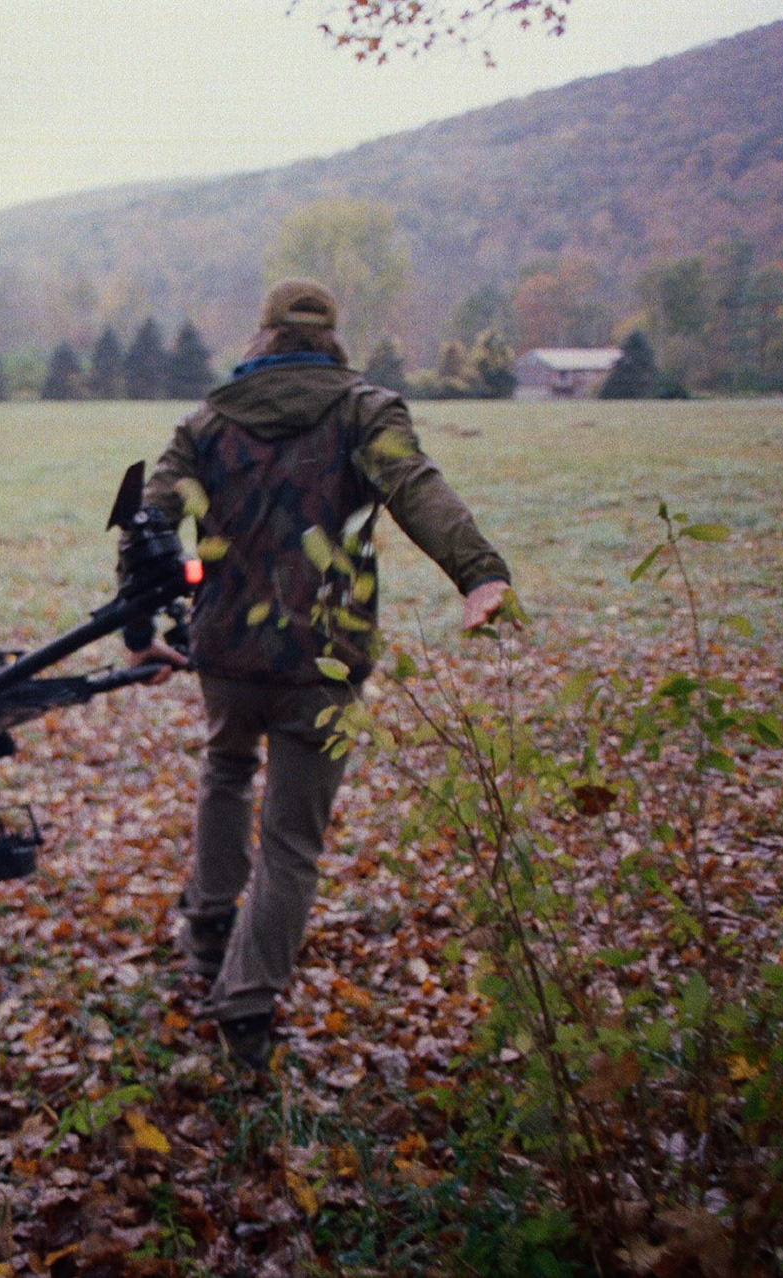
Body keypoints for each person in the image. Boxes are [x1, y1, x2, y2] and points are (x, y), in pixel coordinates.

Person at [128, 278, 512, 1070]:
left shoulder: (206, 421)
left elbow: (147, 524)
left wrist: (139, 636)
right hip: (325, 655)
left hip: (226, 649)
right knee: (292, 841)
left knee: (226, 768)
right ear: (332, 336)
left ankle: (208, 930)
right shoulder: (366, 410)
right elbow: (415, 486)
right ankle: (244, 1004)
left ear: (264, 333)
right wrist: (478, 573)